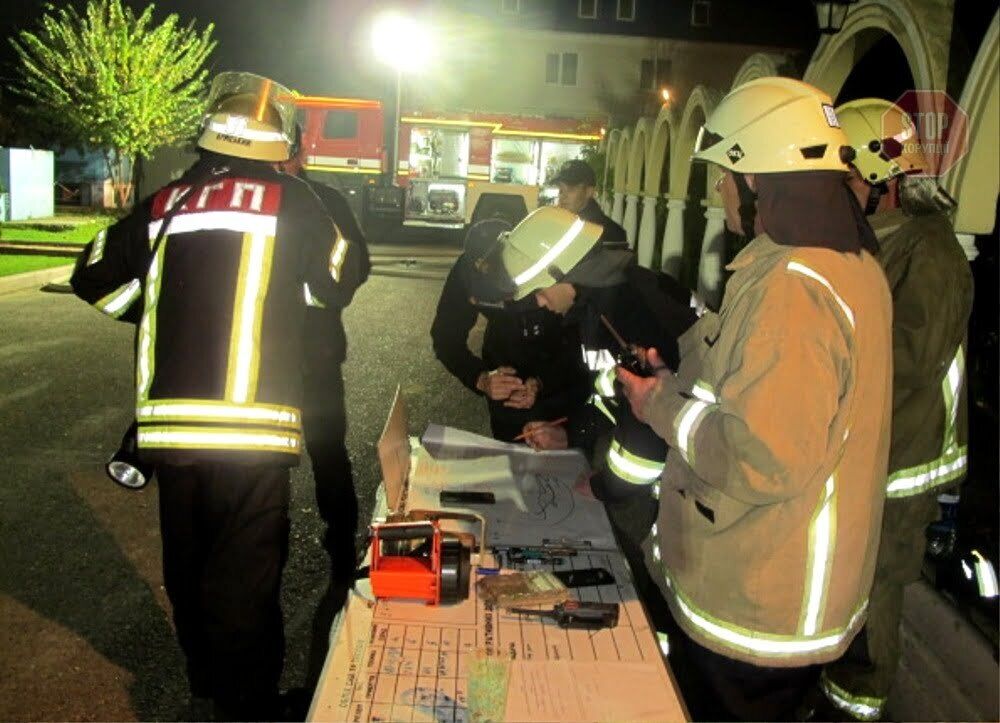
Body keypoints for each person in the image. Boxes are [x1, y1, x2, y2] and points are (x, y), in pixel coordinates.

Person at [70, 71, 360, 720]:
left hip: (173, 430)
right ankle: (247, 703)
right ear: (276, 139)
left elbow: (92, 274)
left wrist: (160, 310)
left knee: (189, 560)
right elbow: (340, 275)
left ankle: (205, 674)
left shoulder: (168, 202)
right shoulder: (295, 201)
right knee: (245, 572)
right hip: (253, 428)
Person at [615, 77, 894, 721]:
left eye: (725, 174)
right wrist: (675, 374)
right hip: (784, 590)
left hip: (760, 603)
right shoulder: (841, 262)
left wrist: (659, 406)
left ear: (761, 179)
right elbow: (749, 379)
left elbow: (763, 456)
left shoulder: (793, 285)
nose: (718, 190)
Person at [816, 98, 975, 721]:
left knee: (875, 587)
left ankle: (858, 705)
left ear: (880, 180)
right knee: (846, 580)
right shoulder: (884, 240)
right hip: (874, 449)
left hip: (904, 460)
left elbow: (909, 361)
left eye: (843, 180)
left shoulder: (930, 252)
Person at [468, 205, 697, 623]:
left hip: (699, 480)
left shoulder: (629, 314)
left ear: (562, 273)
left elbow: (645, 443)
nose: (539, 306)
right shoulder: (602, 304)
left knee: (668, 609)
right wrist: (570, 433)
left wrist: (604, 485)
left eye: (538, 294)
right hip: (682, 479)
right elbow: (614, 392)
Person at [279, 124, 371, 580]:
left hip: (298, 356)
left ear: (298, 153)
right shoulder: (322, 201)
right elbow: (361, 267)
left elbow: (359, 266)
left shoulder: (322, 202)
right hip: (295, 355)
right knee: (289, 454)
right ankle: (331, 543)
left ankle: (338, 542)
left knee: (322, 453)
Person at [431, 217, 590, 442]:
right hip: (506, 387)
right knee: (510, 458)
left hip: (563, 384)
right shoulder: (465, 274)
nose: (508, 299)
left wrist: (542, 382)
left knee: (566, 460)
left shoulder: (546, 268)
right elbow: (445, 338)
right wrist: (481, 378)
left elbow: (583, 346)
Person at [550, 158, 628, 250]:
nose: (563, 196)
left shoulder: (608, 232)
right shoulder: (559, 222)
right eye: (561, 190)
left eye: (570, 189)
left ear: (589, 192)